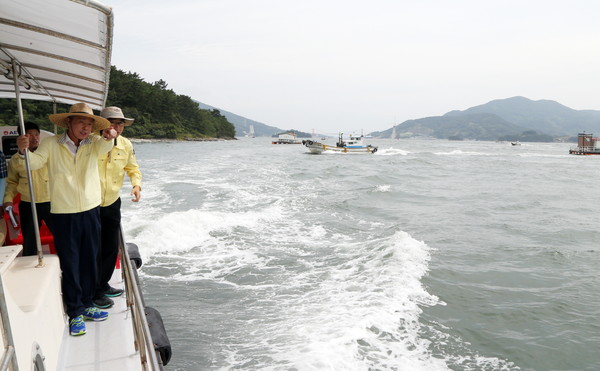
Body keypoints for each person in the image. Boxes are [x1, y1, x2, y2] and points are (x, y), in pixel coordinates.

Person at [16, 103, 119, 336]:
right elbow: (34, 163)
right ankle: (75, 312)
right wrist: (23, 152)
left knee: (91, 259)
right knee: (71, 262)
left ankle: (88, 302)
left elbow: (105, 146)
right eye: (82, 122)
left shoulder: (94, 144)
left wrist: (110, 135)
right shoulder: (51, 144)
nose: (86, 127)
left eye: (90, 123)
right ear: (69, 122)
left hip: (91, 209)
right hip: (63, 212)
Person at [93, 106, 142, 309]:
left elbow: (132, 167)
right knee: (92, 248)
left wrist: (136, 185)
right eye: (112, 122)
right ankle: (93, 291)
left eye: (120, 123)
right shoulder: (91, 143)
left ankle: (102, 285)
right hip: (90, 202)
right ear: (102, 125)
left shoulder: (126, 144)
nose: (117, 127)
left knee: (111, 247)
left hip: (112, 201)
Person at [3, 122, 52, 256]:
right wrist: (8, 200)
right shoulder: (14, 160)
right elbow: (12, 182)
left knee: (62, 236)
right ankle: (29, 268)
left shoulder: (48, 154)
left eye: (37, 134)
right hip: (28, 204)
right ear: (21, 138)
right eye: (30, 135)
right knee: (30, 241)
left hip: (51, 203)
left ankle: (63, 267)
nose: (35, 138)